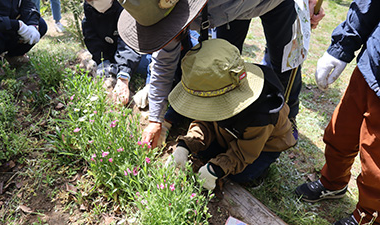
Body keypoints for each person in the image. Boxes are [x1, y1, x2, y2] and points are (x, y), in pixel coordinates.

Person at [117, 0, 325, 149]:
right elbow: (164, 60)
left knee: (282, 68)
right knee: (220, 67)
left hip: (277, 4)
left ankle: (282, 121)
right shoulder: (158, 11)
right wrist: (156, 119)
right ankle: (222, 120)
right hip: (224, 12)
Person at [165, 39, 296, 190]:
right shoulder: (216, 86)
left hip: (261, 145)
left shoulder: (261, 114)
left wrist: (216, 170)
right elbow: (205, 121)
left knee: (241, 174)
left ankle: (260, 171)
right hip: (227, 131)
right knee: (204, 152)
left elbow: (245, 152)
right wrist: (185, 145)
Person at [295, 0, 380, 224]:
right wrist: (341, 47)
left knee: (376, 163)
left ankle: (368, 216)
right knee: (340, 132)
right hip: (372, 63)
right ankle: (333, 183)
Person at [82, 0, 149, 105]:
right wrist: (102, 61)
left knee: (144, 66)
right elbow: (92, 38)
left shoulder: (127, 7)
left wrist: (123, 77)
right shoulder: (89, 10)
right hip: (113, 52)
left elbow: (129, 41)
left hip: (137, 49)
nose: (93, 2)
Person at [0, 0, 48, 78]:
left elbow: (27, 3)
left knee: (41, 25)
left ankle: (15, 55)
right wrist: (16, 25)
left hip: (8, 24)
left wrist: (32, 24)